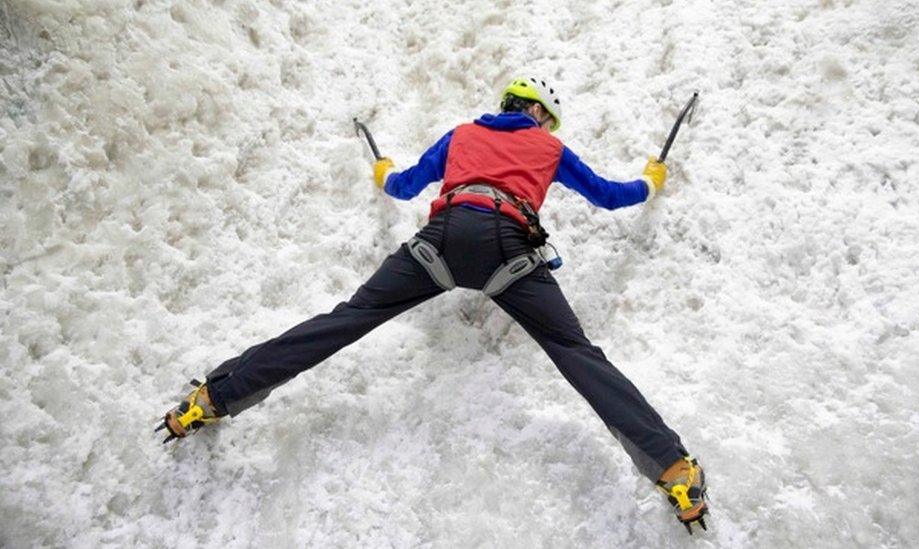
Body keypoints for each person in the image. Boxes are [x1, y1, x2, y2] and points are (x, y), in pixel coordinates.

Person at [159, 77, 708, 533]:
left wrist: (383, 174)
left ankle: (212, 398)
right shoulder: (549, 148)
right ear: (537, 112)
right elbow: (611, 197)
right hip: (509, 255)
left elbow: (403, 187)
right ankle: (673, 468)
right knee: (576, 352)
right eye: (547, 120)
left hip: (439, 244)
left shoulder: (461, 134)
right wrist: (649, 183)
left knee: (346, 320)